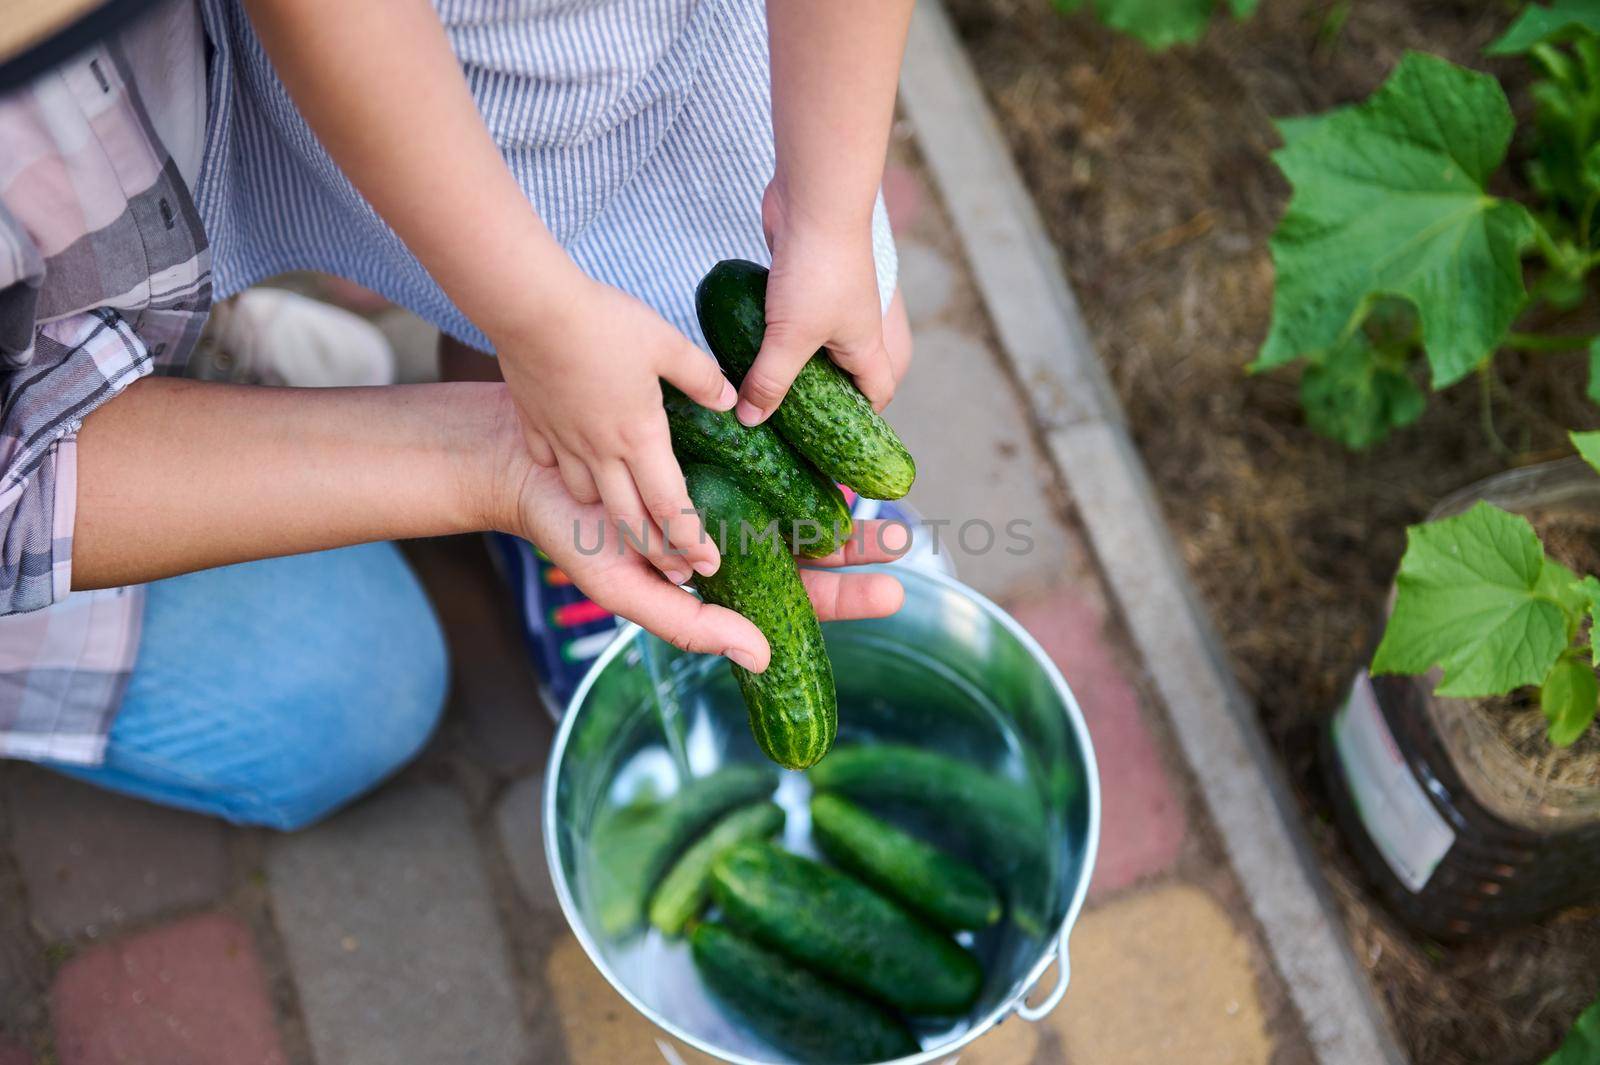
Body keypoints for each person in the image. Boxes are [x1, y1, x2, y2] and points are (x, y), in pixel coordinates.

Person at [0, 0, 910, 829]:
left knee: (645, 294)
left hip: (187, 109)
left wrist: (830, 210)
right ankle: (92, 346)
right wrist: (526, 355)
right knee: (356, 696)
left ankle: (157, 332)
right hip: (63, 273)